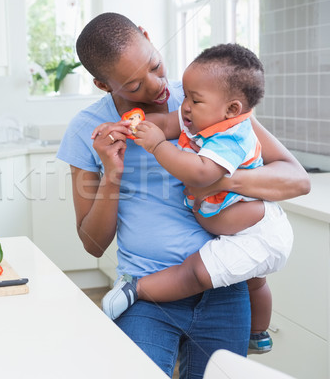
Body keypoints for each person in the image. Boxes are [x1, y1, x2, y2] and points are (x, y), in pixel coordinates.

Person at [56, 12, 310, 378]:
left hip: (223, 288)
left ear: (148, 35)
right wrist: (111, 174)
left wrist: (219, 180)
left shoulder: (207, 97)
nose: (156, 86)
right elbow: (93, 244)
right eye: (133, 85)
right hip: (146, 295)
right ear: (102, 85)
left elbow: (296, 179)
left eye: (155, 66)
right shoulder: (87, 131)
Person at [108, 43, 292, 355]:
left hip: (257, 233)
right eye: (188, 96)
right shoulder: (201, 117)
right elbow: (167, 124)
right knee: (254, 281)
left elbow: (201, 174)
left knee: (204, 273)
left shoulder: (232, 135)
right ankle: (258, 334)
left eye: (195, 99)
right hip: (234, 223)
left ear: (231, 110)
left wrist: (156, 147)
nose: (186, 105)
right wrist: (138, 127)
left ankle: (137, 289)